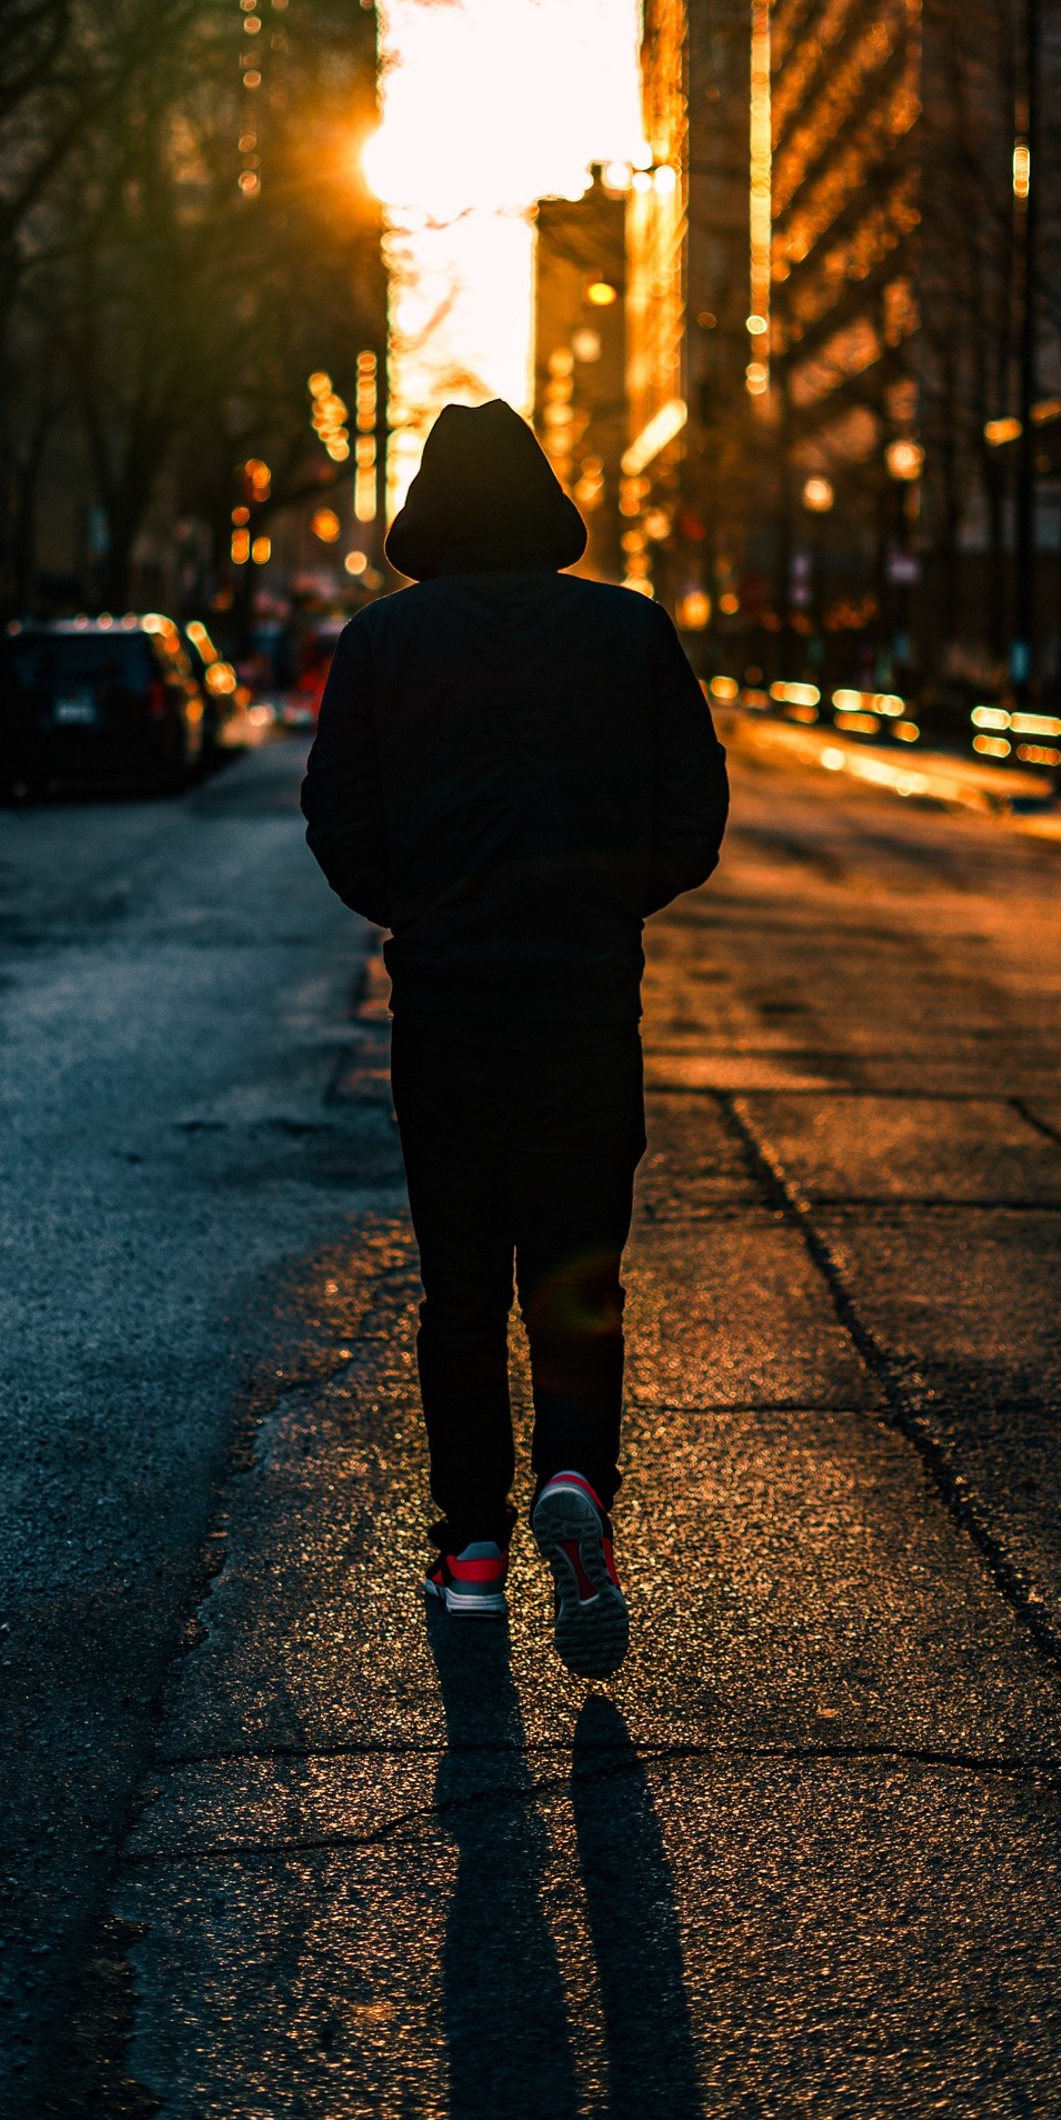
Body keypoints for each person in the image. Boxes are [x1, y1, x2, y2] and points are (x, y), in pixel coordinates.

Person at [301, 399, 728, 1676]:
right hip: (585, 1008)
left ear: (428, 514)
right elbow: (692, 814)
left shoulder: (381, 643)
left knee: (460, 1290)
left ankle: (472, 1551)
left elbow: (338, 821)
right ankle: (578, 1489)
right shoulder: (629, 629)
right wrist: (599, 904)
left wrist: (424, 911)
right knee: (576, 1278)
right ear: (545, 506)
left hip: (446, 1011)